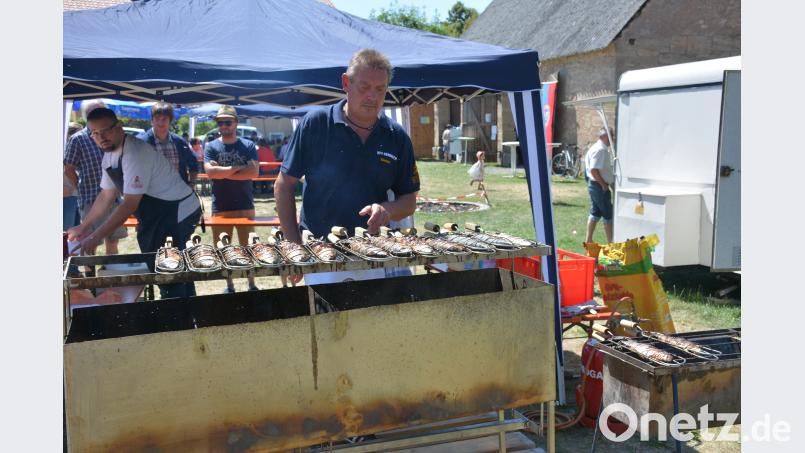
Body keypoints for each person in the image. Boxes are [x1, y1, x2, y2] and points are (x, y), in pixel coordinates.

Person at [275, 48, 420, 285]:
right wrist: (293, 245)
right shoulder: (316, 124)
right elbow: (283, 185)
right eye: (364, 87)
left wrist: (387, 210)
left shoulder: (396, 136)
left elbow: (409, 201)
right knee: (322, 310)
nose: (372, 96)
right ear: (346, 83)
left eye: (380, 89)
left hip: (373, 254)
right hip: (320, 252)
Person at [68, 108, 201, 299]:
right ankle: (186, 309)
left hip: (178, 212)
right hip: (157, 214)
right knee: (170, 268)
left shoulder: (135, 153)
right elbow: (106, 195)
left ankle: (176, 310)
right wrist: (83, 227)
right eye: (95, 133)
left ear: (119, 127)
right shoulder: (109, 155)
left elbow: (129, 203)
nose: (101, 137)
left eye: (105, 130)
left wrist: (96, 236)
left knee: (168, 270)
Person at [203, 105, 260, 293]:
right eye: (220, 123)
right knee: (223, 249)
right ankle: (229, 285)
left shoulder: (248, 145)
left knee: (248, 248)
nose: (223, 126)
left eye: (227, 122)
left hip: (245, 204)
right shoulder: (211, 146)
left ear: (236, 123)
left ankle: (251, 284)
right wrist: (238, 168)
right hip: (221, 207)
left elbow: (253, 172)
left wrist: (223, 172)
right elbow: (211, 173)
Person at [64, 100, 128, 254]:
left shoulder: (115, 139)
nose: (97, 116)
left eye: (99, 111)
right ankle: (89, 270)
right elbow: (69, 168)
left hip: (114, 198)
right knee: (88, 244)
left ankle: (111, 268)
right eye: (92, 112)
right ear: (86, 117)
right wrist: (78, 188)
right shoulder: (78, 138)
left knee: (113, 241)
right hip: (90, 198)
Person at [137, 102, 198, 185]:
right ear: (152, 121)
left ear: (170, 121)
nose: (160, 122)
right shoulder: (141, 143)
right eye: (157, 118)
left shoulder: (179, 142)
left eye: (164, 119)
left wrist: (192, 183)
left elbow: (193, 163)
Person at [585, 128, 615, 244]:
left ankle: (589, 241)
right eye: (611, 136)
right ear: (604, 136)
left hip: (595, 185)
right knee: (608, 214)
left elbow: (601, 170)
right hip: (599, 186)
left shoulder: (597, 148)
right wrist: (604, 185)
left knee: (595, 213)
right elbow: (594, 170)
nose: (612, 139)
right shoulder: (600, 149)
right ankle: (611, 243)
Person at [63, 122, 83, 231]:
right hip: (67, 196)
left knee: (75, 233)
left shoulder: (73, 150)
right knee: (66, 232)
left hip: (75, 196)